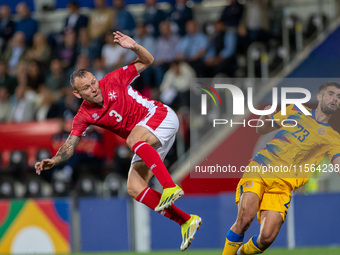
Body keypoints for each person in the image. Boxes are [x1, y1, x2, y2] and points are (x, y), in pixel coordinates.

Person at [35, 31, 202, 251]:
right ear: (77, 94)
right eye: (86, 88)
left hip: (161, 116)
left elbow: (148, 61)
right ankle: (186, 221)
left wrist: (134, 46)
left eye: (93, 82)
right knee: (134, 187)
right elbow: (70, 145)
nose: (94, 88)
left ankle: (170, 186)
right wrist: (54, 161)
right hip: (147, 139)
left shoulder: (114, 79)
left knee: (132, 138)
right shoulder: (83, 115)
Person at [222, 81, 340, 255]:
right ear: (320, 96)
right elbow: (261, 130)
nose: (335, 99)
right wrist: (264, 117)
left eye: (339, 97)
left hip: (284, 186)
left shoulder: (333, 138)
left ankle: (240, 253)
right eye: (331, 94)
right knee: (246, 218)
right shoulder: (295, 110)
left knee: (266, 238)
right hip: (261, 168)